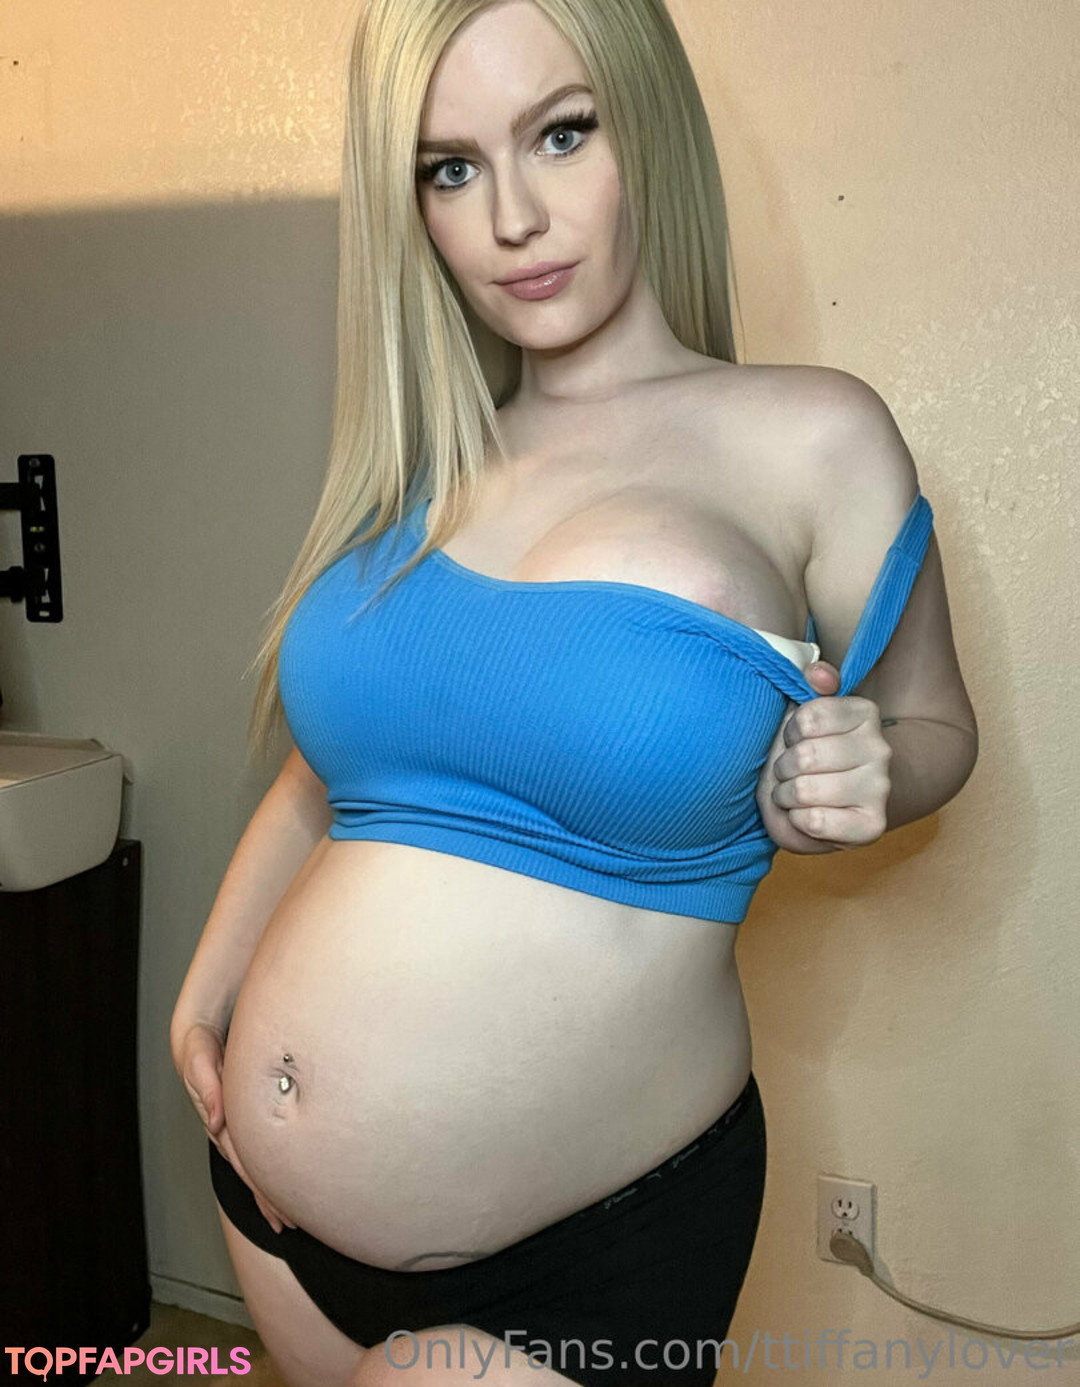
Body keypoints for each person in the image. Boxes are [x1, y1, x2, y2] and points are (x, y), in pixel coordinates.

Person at [171, 2, 979, 1385]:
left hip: (578, 1260)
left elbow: (937, 727)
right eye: (451, 168)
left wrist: (877, 768)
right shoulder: (428, 465)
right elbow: (324, 780)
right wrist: (204, 1001)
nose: (513, 220)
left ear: (645, 126)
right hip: (274, 1215)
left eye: (561, 135)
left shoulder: (810, 436)